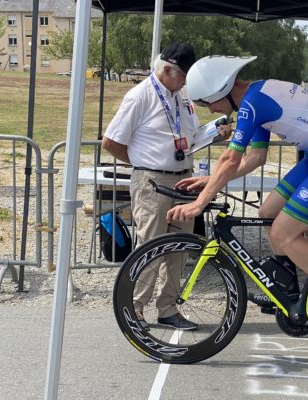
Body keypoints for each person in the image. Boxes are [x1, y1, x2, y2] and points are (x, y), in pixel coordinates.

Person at [166, 55, 308, 336]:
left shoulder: (252, 103)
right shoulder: (256, 95)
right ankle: (289, 289)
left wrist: (200, 204)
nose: (211, 111)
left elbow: (231, 159)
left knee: (284, 233)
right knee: (267, 212)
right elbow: (255, 158)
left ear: (221, 90)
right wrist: (210, 181)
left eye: (207, 102)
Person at [102, 42, 231, 331]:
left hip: (183, 177)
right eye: (184, 76)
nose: (187, 82)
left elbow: (190, 136)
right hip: (153, 181)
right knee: (150, 245)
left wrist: (213, 133)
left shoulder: (182, 95)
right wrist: (142, 163)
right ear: (168, 69)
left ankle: (167, 308)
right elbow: (111, 141)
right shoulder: (139, 96)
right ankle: (134, 307)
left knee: (179, 248)